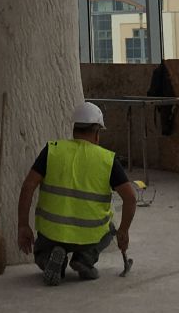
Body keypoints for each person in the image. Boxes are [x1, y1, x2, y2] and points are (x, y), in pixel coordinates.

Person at [17, 101, 137, 285]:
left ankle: (50, 258)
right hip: (89, 237)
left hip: (52, 233)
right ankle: (84, 259)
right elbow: (130, 198)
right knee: (110, 229)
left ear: (74, 129)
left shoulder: (52, 150)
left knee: (42, 250)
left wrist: (23, 225)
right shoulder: (108, 159)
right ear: (97, 133)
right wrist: (124, 231)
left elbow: (28, 186)